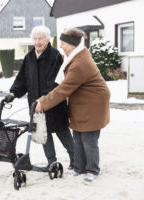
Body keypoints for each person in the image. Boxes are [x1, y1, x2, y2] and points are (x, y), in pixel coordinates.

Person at [35, 27, 110, 182]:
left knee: (89, 139)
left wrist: (43, 102)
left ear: (72, 44)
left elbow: (63, 90)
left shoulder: (79, 63)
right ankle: (79, 167)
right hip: (82, 102)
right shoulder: (75, 56)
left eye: (63, 43)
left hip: (93, 103)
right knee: (78, 136)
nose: (60, 46)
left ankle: (92, 171)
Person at [5, 25, 74, 170]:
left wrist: (44, 98)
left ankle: (76, 159)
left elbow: (55, 82)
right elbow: (22, 79)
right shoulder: (29, 57)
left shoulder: (55, 56)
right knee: (44, 133)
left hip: (54, 104)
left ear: (47, 39)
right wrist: (14, 93)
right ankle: (52, 162)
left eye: (41, 39)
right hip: (35, 105)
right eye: (35, 39)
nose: (37, 42)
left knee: (62, 132)